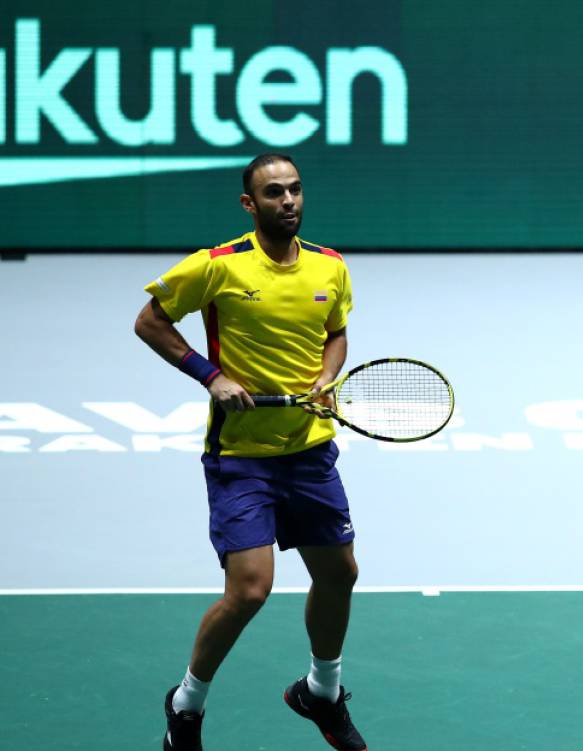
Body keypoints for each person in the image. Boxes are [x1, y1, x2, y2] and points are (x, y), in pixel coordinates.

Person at [135, 153, 368, 751]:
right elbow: (150, 322)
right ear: (250, 203)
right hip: (240, 455)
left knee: (339, 573)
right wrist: (211, 376)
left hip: (309, 448)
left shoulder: (331, 266)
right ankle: (186, 704)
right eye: (273, 193)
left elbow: (336, 333)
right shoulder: (217, 266)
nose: (288, 201)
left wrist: (326, 378)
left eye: (295, 189)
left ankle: (320, 692)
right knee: (249, 590)